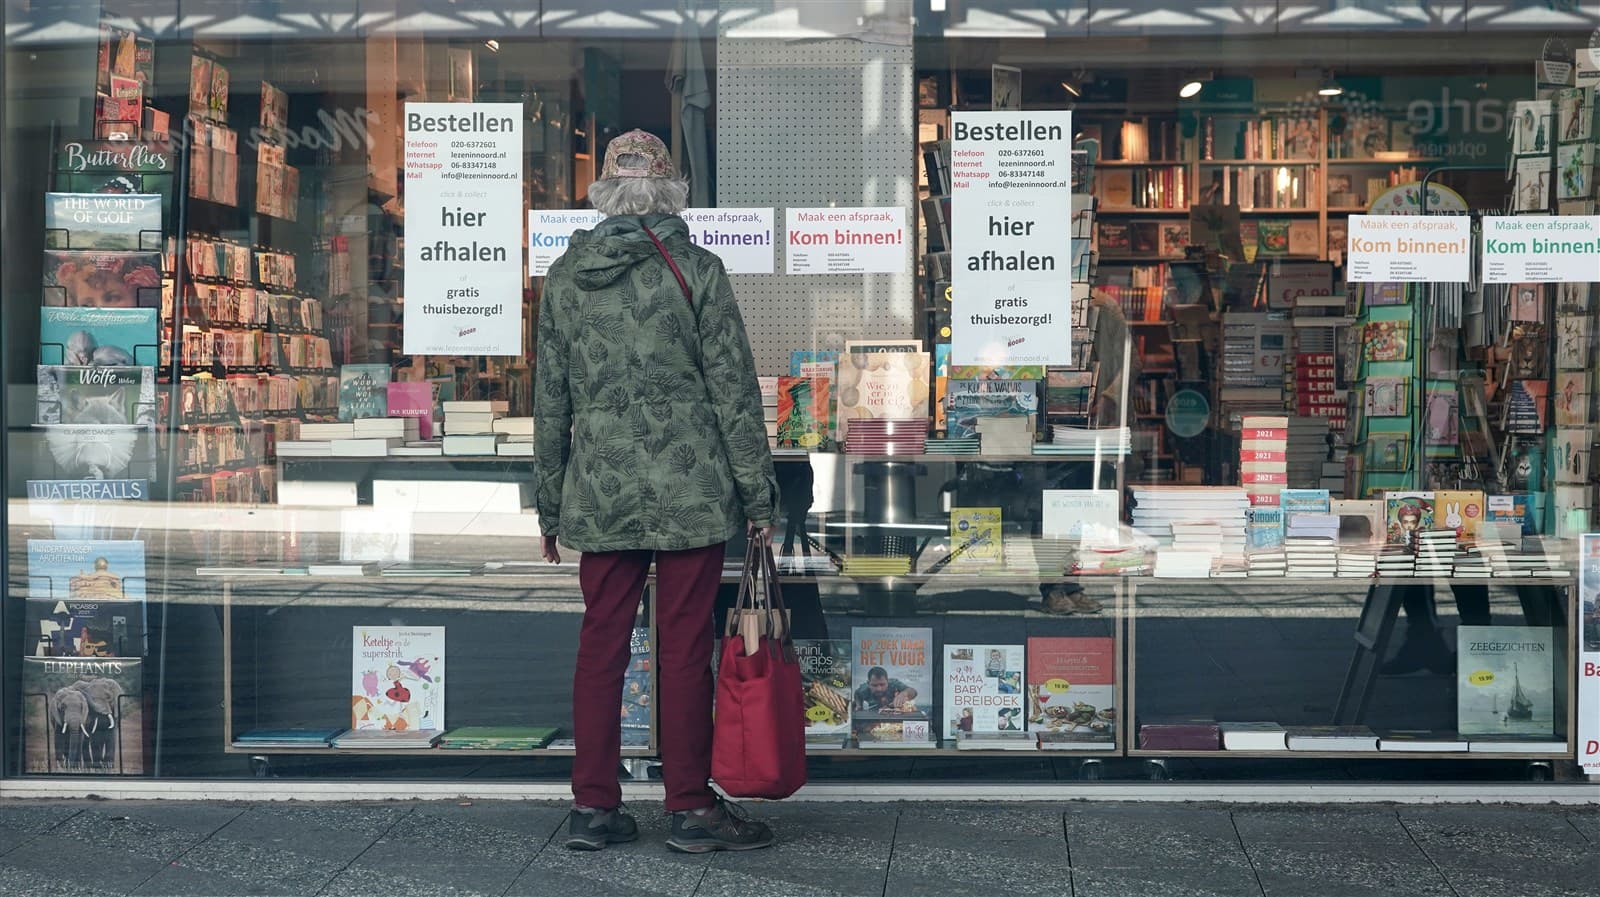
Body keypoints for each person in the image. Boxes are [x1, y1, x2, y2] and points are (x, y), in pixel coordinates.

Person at [535, 129, 778, 855]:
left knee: (600, 643)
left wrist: (549, 505)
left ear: (605, 191)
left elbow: (551, 401)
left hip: (600, 493)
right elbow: (733, 392)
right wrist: (759, 498)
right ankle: (690, 807)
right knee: (683, 647)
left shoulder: (566, 276)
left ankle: (592, 805)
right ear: (671, 190)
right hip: (690, 491)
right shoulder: (697, 268)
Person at [853, 666, 917, 713]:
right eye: (874, 685)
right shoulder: (864, 689)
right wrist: (859, 706)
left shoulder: (894, 684)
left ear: (887, 681)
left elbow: (913, 692)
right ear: (868, 683)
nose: (879, 689)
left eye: (882, 684)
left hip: (894, 713)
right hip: (874, 713)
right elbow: (857, 693)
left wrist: (904, 694)